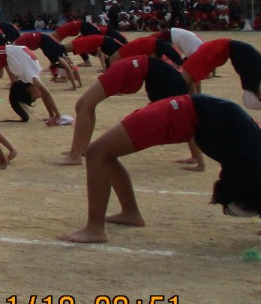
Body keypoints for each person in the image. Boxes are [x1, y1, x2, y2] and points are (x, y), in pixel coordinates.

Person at [59, 94, 261, 244]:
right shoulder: (248, 165)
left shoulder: (248, 162)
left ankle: (98, 228)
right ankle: (124, 216)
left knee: (98, 153)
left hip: (189, 111)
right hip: (183, 112)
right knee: (99, 153)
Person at [57, 55, 192, 167]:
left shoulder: (172, 77)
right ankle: (82, 150)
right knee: (86, 105)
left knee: (83, 105)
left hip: (131, 66)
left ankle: (75, 155)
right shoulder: (173, 79)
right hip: (132, 66)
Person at [179, 38, 261, 109]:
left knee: (252, 87)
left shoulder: (190, 69)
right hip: (234, 48)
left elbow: (191, 89)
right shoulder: (190, 67)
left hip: (234, 49)